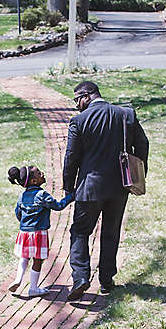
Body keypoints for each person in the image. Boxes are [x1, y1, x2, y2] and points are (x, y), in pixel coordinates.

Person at [62, 81, 149, 301]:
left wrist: (68, 187)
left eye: (77, 101)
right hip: (120, 186)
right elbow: (143, 144)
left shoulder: (79, 121)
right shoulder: (126, 115)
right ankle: (107, 281)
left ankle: (81, 277)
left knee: (80, 232)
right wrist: (139, 172)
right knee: (111, 232)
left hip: (89, 188)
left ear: (87, 96)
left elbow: (71, 158)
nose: (77, 106)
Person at [8, 165, 75, 297]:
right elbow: (58, 206)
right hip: (39, 233)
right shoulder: (42, 195)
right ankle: (33, 288)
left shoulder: (22, 196)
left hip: (24, 233)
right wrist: (72, 196)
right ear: (34, 181)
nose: (42, 173)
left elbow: (18, 213)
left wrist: (25, 223)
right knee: (37, 260)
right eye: (39, 173)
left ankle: (18, 279)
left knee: (24, 257)